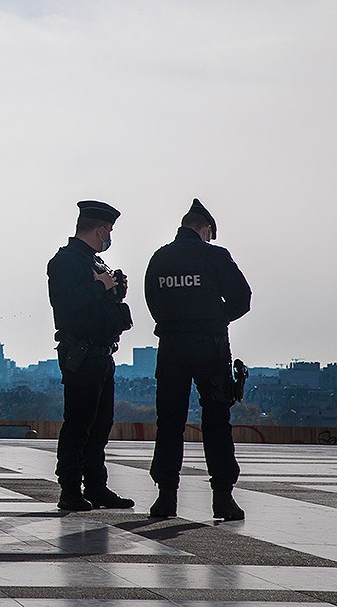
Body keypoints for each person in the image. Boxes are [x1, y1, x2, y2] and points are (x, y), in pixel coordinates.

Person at [145, 199, 252, 521]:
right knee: (217, 421)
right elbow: (242, 299)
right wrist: (215, 319)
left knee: (169, 422)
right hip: (210, 346)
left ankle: (165, 498)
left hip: (171, 346)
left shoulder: (160, 257)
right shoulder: (213, 255)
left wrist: (177, 323)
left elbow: (153, 300)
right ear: (205, 228)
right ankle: (223, 498)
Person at [47, 200, 135, 512]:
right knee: (79, 425)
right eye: (109, 230)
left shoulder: (95, 263)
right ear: (99, 229)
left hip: (103, 353)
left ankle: (96, 486)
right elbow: (65, 304)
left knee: (100, 425)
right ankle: (70, 489)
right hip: (82, 354)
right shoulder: (66, 262)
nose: (110, 236)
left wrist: (115, 289)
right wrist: (99, 286)